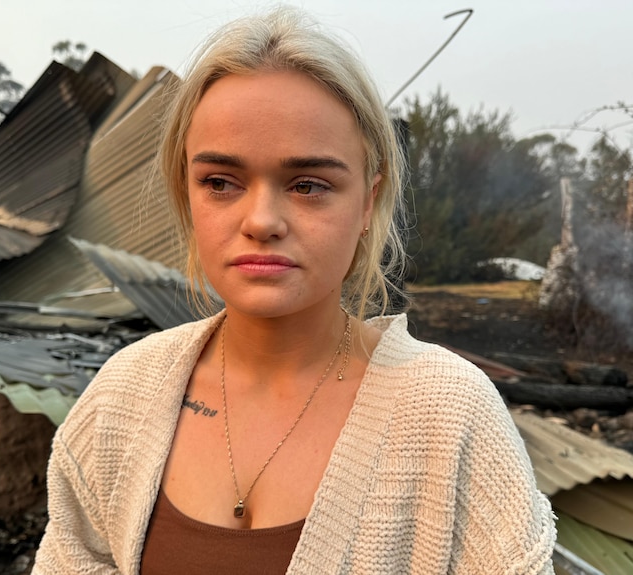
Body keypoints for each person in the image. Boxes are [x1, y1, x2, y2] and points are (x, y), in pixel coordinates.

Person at [33, 7, 556, 574]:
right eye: (220, 182)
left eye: (308, 185)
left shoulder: (450, 418)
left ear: (368, 202)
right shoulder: (122, 399)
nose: (262, 220)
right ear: (187, 196)